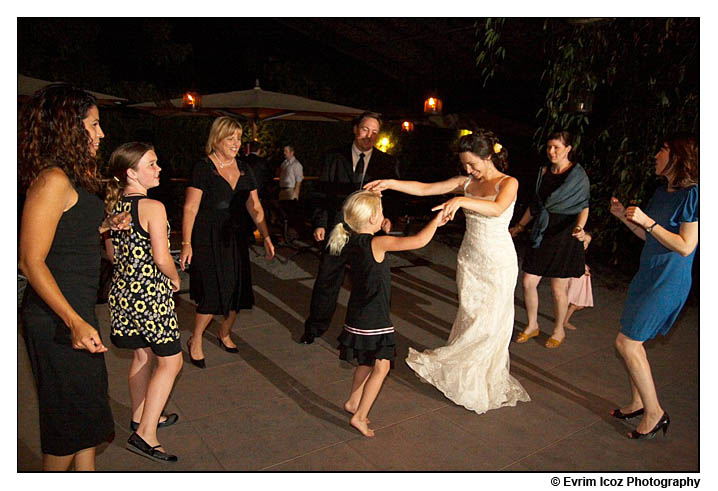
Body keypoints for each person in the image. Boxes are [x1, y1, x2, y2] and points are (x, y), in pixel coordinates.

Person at [365, 130, 530, 414]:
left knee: (491, 323)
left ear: (488, 156)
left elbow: (497, 208)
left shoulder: (508, 182)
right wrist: (391, 183)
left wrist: (461, 201)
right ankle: (464, 375)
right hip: (470, 259)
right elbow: (426, 188)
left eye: (473, 164)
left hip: (498, 262)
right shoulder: (465, 183)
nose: (468, 170)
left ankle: (482, 381)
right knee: (470, 316)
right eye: (465, 165)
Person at [18, 83, 130, 470]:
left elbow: (66, 236)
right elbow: (30, 261)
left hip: (76, 309)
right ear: (69, 127)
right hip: (56, 318)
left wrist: (102, 227)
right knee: (67, 430)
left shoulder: (73, 176)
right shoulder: (52, 180)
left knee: (88, 425)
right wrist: (74, 322)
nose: (101, 134)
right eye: (94, 125)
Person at [329, 190, 448, 436]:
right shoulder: (378, 243)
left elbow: (371, 234)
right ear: (372, 217)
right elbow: (418, 241)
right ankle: (360, 416)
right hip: (375, 317)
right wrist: (437, 220)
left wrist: (379, 223)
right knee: (381, 367)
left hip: (357, 314)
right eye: (381, 213)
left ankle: (353, 401)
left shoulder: (352, 240)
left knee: (365, 360)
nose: (385, 217)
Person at [609, 134, 698, 439]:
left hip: (668, 280)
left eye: (661, 151)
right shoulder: (662, 192)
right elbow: (652, 236)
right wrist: (626, 218)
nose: (655, 156)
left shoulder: (694, 196)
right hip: (649, 273)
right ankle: (637, 402)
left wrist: (647, 222)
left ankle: (655, 413)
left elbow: (686, 246)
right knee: (634, 339)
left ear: (677, 157)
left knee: (627, 343)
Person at [104, 142, 183, 463]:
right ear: (131, 172)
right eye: (151, 164)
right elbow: (162, 257)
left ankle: (141, 416)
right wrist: (175, 276)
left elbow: (111, 255)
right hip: (151, 297)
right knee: (171, 361)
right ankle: (146, 433)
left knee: (142, 354)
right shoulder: (153, 207)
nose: (159, 168)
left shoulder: (113, 208)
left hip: (123, 295)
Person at [179, 117, 275, 368]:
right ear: (216, 139)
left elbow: (255, 207)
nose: (236, 143)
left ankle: (224, 333)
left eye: (239, 138)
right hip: (207, 237)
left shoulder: (245, 168)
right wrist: (187, 243)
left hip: (234, 237)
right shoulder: (203, 167)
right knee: (212, 291)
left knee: (236, 291)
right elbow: (190, 208)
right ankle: (196, 338)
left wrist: (265, 236)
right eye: (230, 138)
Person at [301, 111, 400, 344]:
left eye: (375, 132)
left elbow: (394, 197)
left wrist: (389, 218)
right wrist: (320, 223)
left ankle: (356, 334)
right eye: (365, 129)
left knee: (365, 283)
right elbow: (319, 194)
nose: (370, 135)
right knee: (327, 278)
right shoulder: (333, 157)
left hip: (368, 232)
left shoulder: (387, 162)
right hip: (339, 229)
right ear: (355, 129)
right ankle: (314, 327)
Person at [510, 130, 590, 349]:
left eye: (556, 147)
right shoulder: (543, 172)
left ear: (568, 149)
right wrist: (519, 226)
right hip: (542, 231)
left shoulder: (577, 175)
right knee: (528, 281)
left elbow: (584, 206)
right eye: (549, 147)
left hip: (565, 232)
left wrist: (580, 228)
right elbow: (535, 206)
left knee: (558, 289)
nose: (551, 151)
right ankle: (532, 325)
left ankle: (558, 330)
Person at [564, 232, 593, 331]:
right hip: (575, 280)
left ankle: (564, 319)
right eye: (584, 242)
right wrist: (583, 269)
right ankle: (564, 320)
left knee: (577, 303)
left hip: (580, 280)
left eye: (587, 243)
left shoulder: (579, 254)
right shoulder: (573, 253)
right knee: (573, 301)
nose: (585, 245)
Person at [278, 144, 307, 239]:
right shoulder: (284, 163)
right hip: (283, 190)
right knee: (283, 213)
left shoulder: (296, 165)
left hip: (290, 191)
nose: (284, 153)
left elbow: (299, 179)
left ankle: (294, 234)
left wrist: (296, 193)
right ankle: (286, 234)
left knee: (292, 213)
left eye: (286, 151)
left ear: (291, 152)